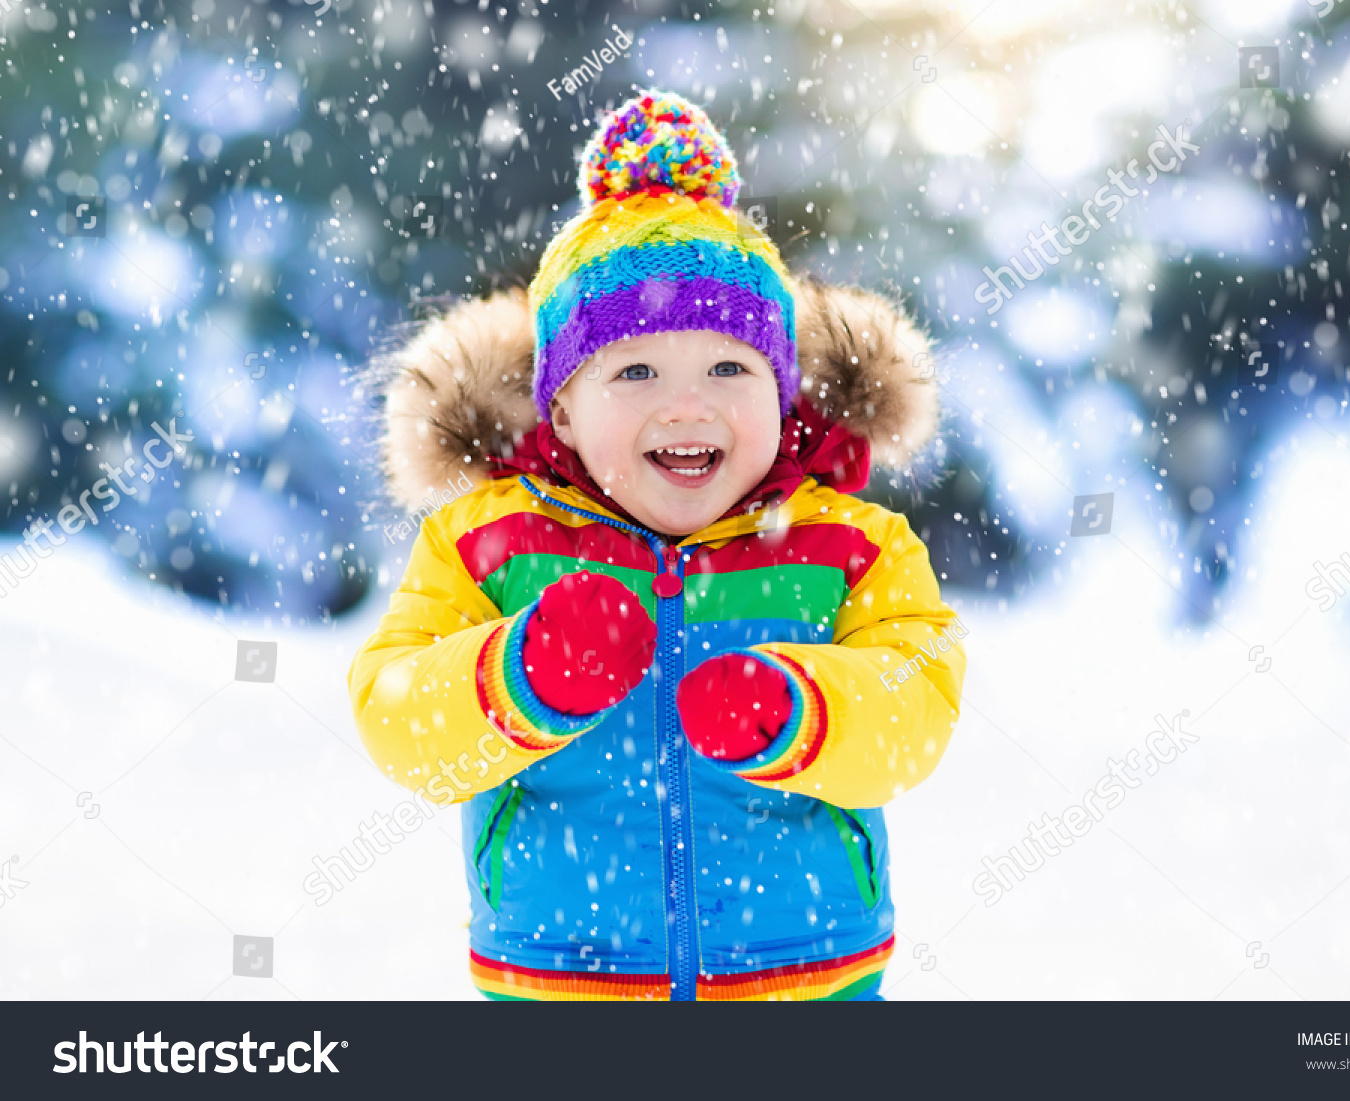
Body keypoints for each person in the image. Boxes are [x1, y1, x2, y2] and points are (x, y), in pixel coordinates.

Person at [349, 89, 965, 1000]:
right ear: (561, 406)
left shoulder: (848, 546)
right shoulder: (487, 542)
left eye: (730, 366)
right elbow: (397, 716)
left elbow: (918, 705)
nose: (687, 404)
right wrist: (518, 677)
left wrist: (804, 711)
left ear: (784, 392)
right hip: (560, 977)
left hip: (805, 974)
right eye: (635, 370)